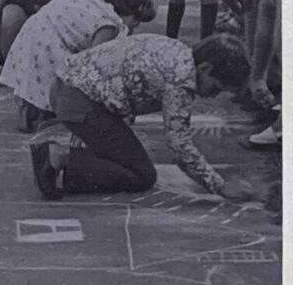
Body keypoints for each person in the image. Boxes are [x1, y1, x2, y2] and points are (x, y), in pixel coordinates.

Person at [30, 33, 254, 200]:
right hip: (79, 102)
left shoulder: (178, 51)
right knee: (142, 175)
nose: (213, 96)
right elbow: (179, 145)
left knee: (122, 155)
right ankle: (59, 156)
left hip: (67, 88)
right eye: (215, 88)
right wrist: (220, 186)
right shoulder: (181, 80)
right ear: (205, 69)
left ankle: (68, 162)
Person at [0, 0, 158, 132]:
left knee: (39, 82)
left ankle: (31, 106)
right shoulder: (110, 25)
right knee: (75, 85)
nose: (135, 26)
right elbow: (94, 66)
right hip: (49, 48)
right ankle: (49, 113)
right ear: (130, 11)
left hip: (32, 34)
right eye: (136, 20)